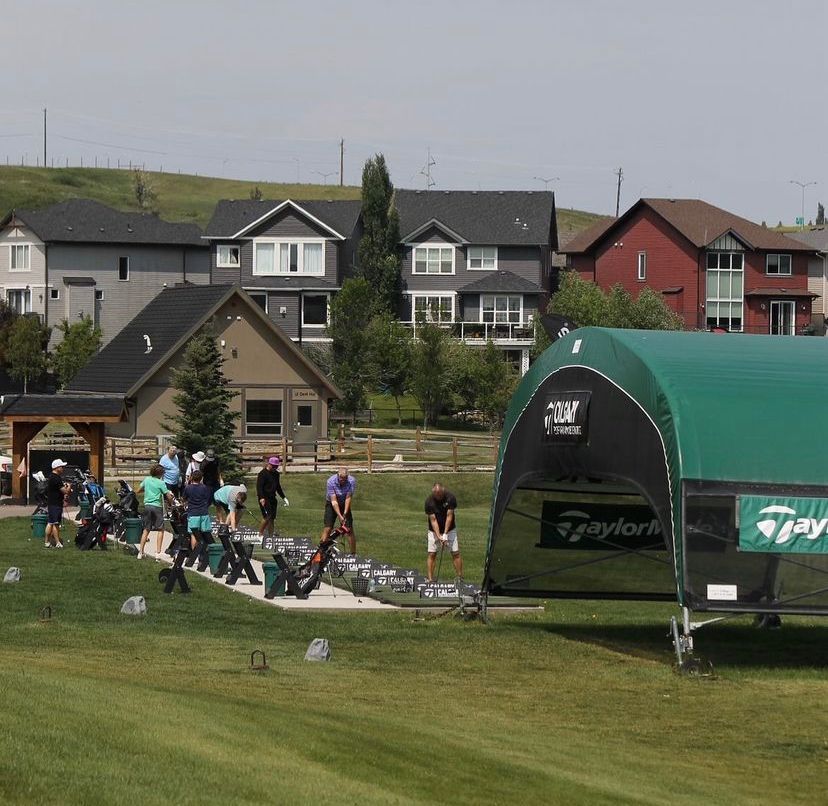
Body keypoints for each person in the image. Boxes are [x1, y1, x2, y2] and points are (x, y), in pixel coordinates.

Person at [424, 482, 463, 582]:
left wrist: (445, 534)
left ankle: (460, 577)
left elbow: (449, 516)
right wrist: (439, 536)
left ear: (443, 490)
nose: (438, 496)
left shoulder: (450, 498)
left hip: (450, 529)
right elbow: (433, 521)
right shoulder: (429, 502)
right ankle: (430, 579)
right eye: (436, 494)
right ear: (433, 492)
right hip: (433, 531)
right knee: (432, 553)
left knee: (455, 553)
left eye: (440, 494)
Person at [137, 463, 174, 559]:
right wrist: (171, 502)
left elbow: (139, 489)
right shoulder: (161, 483)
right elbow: (167, 496)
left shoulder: (147, 479)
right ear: (160, 474)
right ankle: (158, 552)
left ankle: (140, 552)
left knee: (146, 529)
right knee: (160, 529)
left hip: (147, 506)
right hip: (157, 506)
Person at [321, 467, 356, 554]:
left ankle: (353, 555)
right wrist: (340, 516)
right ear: (338, 476)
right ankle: (321, 552)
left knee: (349, 529)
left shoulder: (351, 481)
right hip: (331, 504)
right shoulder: (330, 481)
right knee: (328, 528)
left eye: (345, 479)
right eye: (341, 479)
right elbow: (334, 501)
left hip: (344, 502)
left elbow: (348, 498)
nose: (343, 481)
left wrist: (344, 513)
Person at [257, 456, 289, 539]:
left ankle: (270, 536)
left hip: (272, 498)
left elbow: (278, 487)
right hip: (264, 498)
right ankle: (260, 534)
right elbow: (259, 487)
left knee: (272, 518)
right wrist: (261, 498)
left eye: (276, 466)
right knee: (267, 516)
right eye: (274, 466)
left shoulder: (276, 474)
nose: (275, 468)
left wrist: (284, 497)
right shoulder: (262, 474)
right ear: (269, 464)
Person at [182, 469, 213, 551]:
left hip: (193, 513)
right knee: (205, 534)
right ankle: (205, 553)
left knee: (194, 534)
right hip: (204, 513)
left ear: (191, 478)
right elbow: (208, 500)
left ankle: (194, 554)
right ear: (201, 478)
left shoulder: (188, 488)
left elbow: (184, 499)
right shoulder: (205, 488)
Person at [45, 458, 71, 548]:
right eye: (61, 466)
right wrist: (69, 487)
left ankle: (47, 542)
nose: (63, 468)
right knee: (55, 523)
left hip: (53, 502)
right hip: (55, 504)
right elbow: (65, 491)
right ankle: (57, 543)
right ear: (56, 467)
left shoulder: (53, 477)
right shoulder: (56, 478)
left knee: (51, 522)